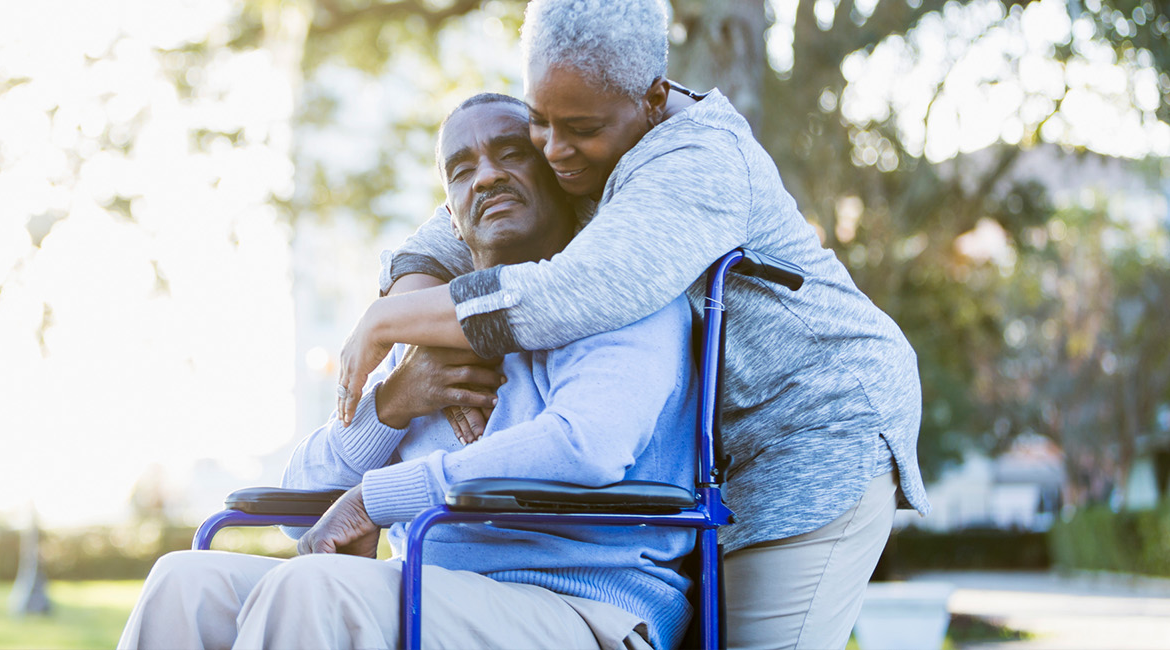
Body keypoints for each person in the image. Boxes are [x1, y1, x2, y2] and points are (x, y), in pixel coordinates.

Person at [335, 1, 932, 648]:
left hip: (815, 425)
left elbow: (572, 294)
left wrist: (387, 323)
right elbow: (448, 232)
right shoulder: (584, 136)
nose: (554, 151)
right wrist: (420, 331)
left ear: (652, 98)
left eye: (579, 128)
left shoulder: (696, 162)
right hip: (717, 449)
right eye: (539, 122)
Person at [118, 93, 699, 650]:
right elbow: (299, 510)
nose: (487, 176)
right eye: (462, 169)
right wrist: (391, 404)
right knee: (184, 583)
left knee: (313, 589)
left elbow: (586, 445)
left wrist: (378, 498)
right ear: (452, 217)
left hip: (583, 605)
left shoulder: (620, 290)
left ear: (557, 172)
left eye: (511, 152)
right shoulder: (427, 325)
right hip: (430, 594)